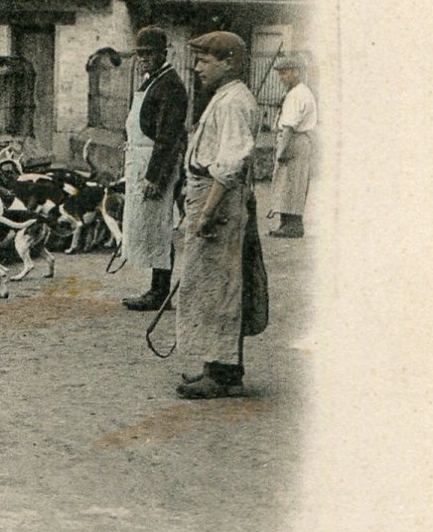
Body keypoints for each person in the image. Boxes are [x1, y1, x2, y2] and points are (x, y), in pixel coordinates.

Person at [176, 31, 261, 399]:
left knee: (221, 287)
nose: (196, 68)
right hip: (208, 197)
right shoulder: (224, 98)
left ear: (229, 62)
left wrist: (207, 213)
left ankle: (224, 373)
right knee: (208, 285)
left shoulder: (232, 103)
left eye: (204, 61)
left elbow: (231, 162)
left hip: (219, 205)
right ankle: (217, 365)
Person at [121, 26, 189, 311]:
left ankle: (160, 292)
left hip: (155, 166)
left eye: (149, 54)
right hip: (140, 161)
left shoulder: (170, 85)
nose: (144, 59)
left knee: (160, 229)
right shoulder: (151, 82)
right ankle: (155, 287)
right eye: (140, 54)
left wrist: (154, 176)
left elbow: (168, 138)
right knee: (147, 229)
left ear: (163, 53)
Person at [268, 55, 317, 238]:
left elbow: (289, 125)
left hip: (294, 139)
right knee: (287, 182)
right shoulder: (297, 92)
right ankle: (286, 223)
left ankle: (293, 225)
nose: (281, 77)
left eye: (285, 73)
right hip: (295, 139)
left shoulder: (298, 94)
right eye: (279, 74)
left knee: (292, 183)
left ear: (296, 73)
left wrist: (281, 150)